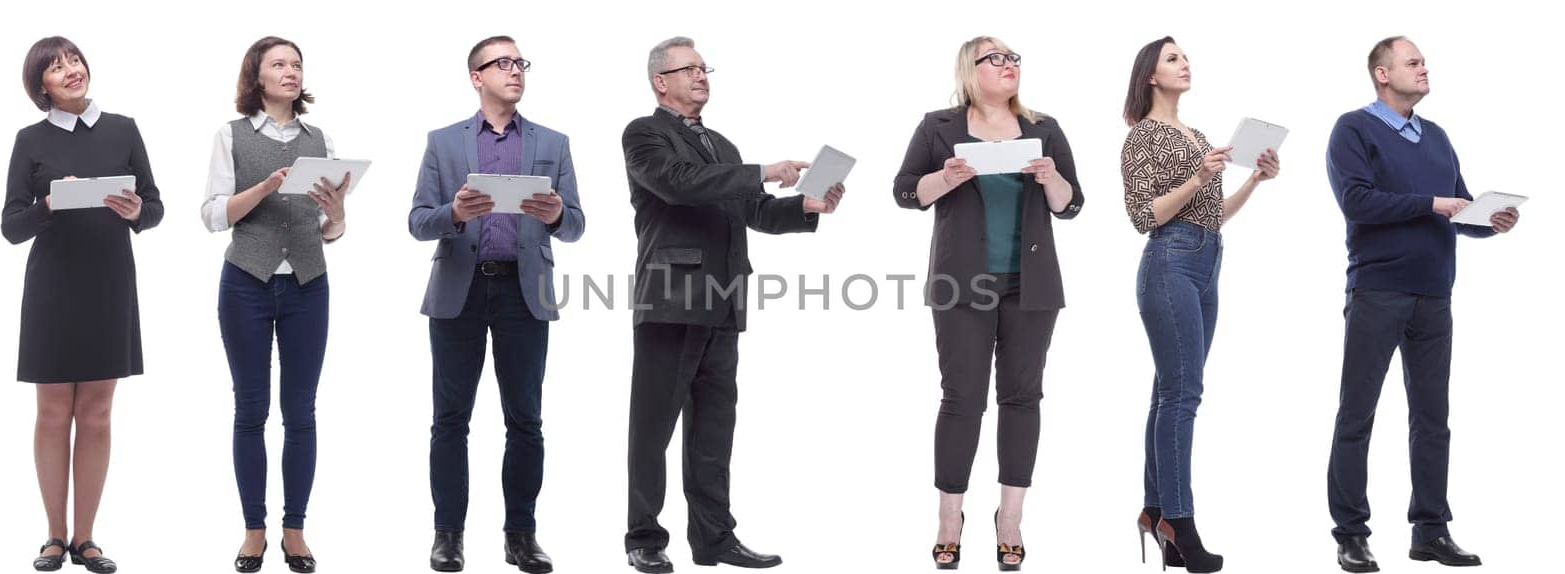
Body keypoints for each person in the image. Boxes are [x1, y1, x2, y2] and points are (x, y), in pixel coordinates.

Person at [620, 36, 845, 574]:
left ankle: (714, 538)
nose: (701, 76)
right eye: (689, 69)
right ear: (661, 81)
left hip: (724, 303)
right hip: (671, 300)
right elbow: (677, 184)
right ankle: (644, 539)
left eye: (704, 68)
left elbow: (756, 211)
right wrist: (762, 169)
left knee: (714, 430)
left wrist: (807, 206)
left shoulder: (721, 143)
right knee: (653, 428)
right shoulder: (644, 133)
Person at [1325, 36, 1518, 574]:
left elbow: (1458, 210)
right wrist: (1432, 203)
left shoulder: (1436, 137)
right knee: (1357, 414)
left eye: (1423, 62)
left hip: (1435, 294)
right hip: (1377, 291)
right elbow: (1356, 201)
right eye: (1413, 62)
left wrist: (1489, 222)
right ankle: (1351, 534)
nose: (1423, 68)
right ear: (1383, 74)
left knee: (1433, 419)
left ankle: (1430, 530)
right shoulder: (1353, 128)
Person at [892, 35, 1083, 571]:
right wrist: (944, 176)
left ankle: (1011, 519)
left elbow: (1072, 205)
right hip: (962, 283)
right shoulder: (939, 126)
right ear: (970, 69)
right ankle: (950, 518)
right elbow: (905, 192)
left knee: (1023, 397)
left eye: (1014, 58)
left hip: (1033, 283)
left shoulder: (1044, 127)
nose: (1009, 66)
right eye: (996, 58)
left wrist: (1052, 180)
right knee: (961, 399)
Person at [409, 35, 585, 574]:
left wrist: (555, 215)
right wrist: (455, 214)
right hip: (459, 292)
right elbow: (418, 221)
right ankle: (448, 536)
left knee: (526, 421)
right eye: (502, 63)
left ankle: (521, 536)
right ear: (475, 76)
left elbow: (576, 224)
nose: (514, 70)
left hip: (522, 293)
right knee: (449, 420)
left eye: (519, 62)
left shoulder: (553, 143)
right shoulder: (444, 143)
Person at [3, 36, 165, 574]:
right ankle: (53, 536)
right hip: (53, 286)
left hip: (109, 282)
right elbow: (10, 226)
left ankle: (86, 538)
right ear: (40, 86)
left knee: (96, 416)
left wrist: (138, 209)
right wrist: (48, 203)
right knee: (53, 415)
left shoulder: (122, 128)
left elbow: (156, 206)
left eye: (73, 60)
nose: (70, 70)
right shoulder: (30, 139)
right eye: (55, 68)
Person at [1119, 36, 1281, 574]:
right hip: (1169, 264)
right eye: (1172, 58)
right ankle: (1180, 524)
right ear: (1150, 77)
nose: (1184, 63)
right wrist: (1199, 176)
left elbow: (1212, 214)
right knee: (1183, 395)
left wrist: (1253, 179)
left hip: (1206, 259)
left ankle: (1154, 509)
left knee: (1168, 393)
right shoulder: (1143, 137)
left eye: (1185, 56)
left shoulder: (1197, 133)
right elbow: (1146, 216)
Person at [202, 36, 349, 574]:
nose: (291, 72)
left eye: (296, 64)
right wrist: (263, 188)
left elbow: (330, 230)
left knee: (302, 412)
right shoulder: (231, 135)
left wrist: (335, 212)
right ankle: (253, 531)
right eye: (279, 64)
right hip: (246, 283)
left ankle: (295, 530)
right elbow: (214, 215)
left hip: (309, 285)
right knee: (250, 410)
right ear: (257, 77)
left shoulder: (321, 138)